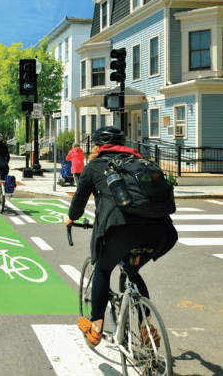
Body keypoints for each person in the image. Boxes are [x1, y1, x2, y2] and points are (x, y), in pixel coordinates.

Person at [64, 126, 177, 348]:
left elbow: (78, 203)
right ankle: (146, 325)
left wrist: (70, 219)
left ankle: (96, 327)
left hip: (120, 230)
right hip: (159, 233)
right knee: (132, 270)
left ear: (98, 147)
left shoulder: (95, 165)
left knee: (103, 269)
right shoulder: (142, 163)